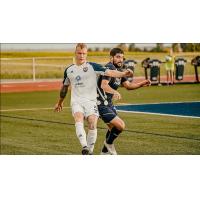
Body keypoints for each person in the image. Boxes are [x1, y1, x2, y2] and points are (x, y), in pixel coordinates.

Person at [54, 43, 133, 155]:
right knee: (78, 118)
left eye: (84, 53)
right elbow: (64, 88)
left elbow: (110, 72)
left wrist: (124, 73)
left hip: (91, 101)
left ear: (86, 54)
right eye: (79, 53)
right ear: (75, 53)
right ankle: (85, 146)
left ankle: (90, 151)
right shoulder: (68, 70)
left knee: (92, 124)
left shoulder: (93, 66)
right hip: (76, 101)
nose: (81, 56)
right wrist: (60, 102)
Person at [97, 48, 151, 155]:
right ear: (111, 58)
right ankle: (108, 145)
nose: (120, 59)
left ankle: (104, 152)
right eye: (117, 57)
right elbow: (104, 85)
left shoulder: (121, 70)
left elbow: (128, 86)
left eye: (121, 57)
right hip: (100, 103)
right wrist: (115, 92)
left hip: (109, 104)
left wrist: (142, 83)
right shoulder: (109, 68)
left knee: (113, 128)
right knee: (120, 125)